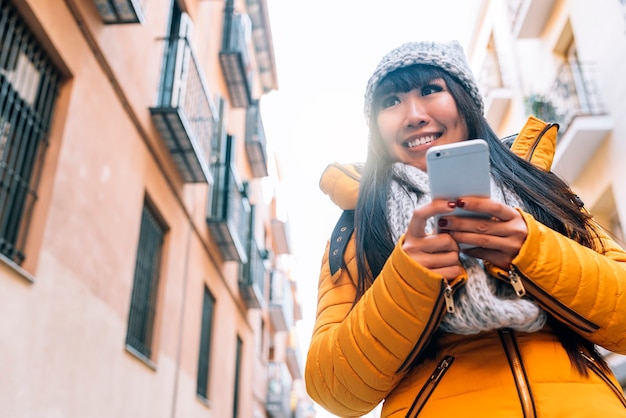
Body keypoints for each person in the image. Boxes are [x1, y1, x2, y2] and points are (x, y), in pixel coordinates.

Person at [304, 40, 626, 417]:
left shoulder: (540, 189)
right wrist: (410, 277)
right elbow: (333, 389)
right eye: (390, 101)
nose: (413, 114)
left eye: (430, 90)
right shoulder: (358, 228)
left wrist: (531, 250)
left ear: (465, 100)